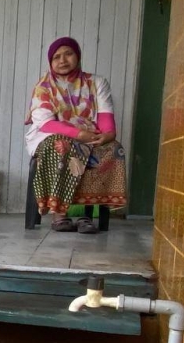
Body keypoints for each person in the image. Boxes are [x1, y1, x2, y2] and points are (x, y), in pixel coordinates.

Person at [25, 36, 127, 234]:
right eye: (56, 57)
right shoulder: (43, 87)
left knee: (113, 148)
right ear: (51, 62)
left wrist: (107, 135)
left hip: (91, 133)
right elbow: (46, 123)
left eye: (68, 54)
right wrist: (79, 134)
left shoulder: (97, 83)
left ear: (77, 56)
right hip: (51, 134)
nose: (62, 60)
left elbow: (106, 117)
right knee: (62, 145)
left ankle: (85, 215)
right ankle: (59, 215)